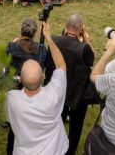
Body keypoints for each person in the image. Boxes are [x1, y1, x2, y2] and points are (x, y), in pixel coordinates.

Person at [5, 21, 68, 155]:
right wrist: (48, 37)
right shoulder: (54, 95)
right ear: (43, 76)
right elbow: (61, 66)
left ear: (20, 79)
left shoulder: (11, 99)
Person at [45, 14, 95, 155]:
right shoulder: (84, 47)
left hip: (57, 89)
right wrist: (87, 39)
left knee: (56, 122)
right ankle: (69, 151)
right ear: (81, 28)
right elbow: (91, 60)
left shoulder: (53, 40)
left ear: (65, 26)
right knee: (76, 127)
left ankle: (54, 147)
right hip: (76, 93)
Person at [5, 18, 48, 155]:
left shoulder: (12, 46)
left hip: (16, 89)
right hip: (32, 92)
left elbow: (5, 64)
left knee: (15, 126)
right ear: (34, 33)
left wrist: (13, 44)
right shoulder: (41, 49)